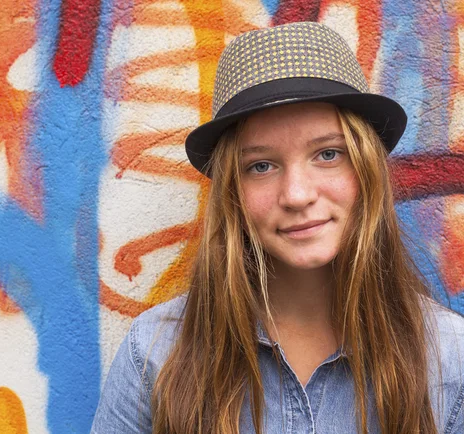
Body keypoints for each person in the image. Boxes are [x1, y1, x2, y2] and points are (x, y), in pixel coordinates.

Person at [91, 21, 464, 434]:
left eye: (328, 154)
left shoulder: (449, 357)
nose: (297, 195)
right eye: (261, 166)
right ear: (233, 190)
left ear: (367, 168)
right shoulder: (157, 354)